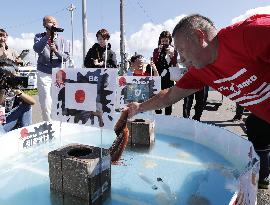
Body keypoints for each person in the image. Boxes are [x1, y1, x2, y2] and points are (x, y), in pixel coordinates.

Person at [126, 14, 270, 189]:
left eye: (181, 50)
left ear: (199, 37)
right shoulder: (200, 70)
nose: (180, 59)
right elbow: (169, 96)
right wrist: (139, 107)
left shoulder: (248, 34)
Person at [33, 16, 70, 121]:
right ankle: (48, 125)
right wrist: (47, 36)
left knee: (58, 101)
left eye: (55, 22)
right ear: (44, 24)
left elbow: (66, 57)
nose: (53, 24)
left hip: (58, 73)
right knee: (45, 101)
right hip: (43, 72)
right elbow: (37, 48)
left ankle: (58, 124)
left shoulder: (63, 40)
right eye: (50, 22)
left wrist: (57, 51)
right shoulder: (39, 36)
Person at [153, 31, 178, 115]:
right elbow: (154, 62)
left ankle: (168, 116)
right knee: (157, 97)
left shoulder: (173, 50)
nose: (164, 43)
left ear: (169, 41)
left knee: (168, 98)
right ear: (160, 41)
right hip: (158, 76)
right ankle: (158, 115)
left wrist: (171, 55)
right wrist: (159, 52)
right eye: (163, 41)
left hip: (169, 77)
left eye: (166, 41)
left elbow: (174, 63)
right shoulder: (156, 50)